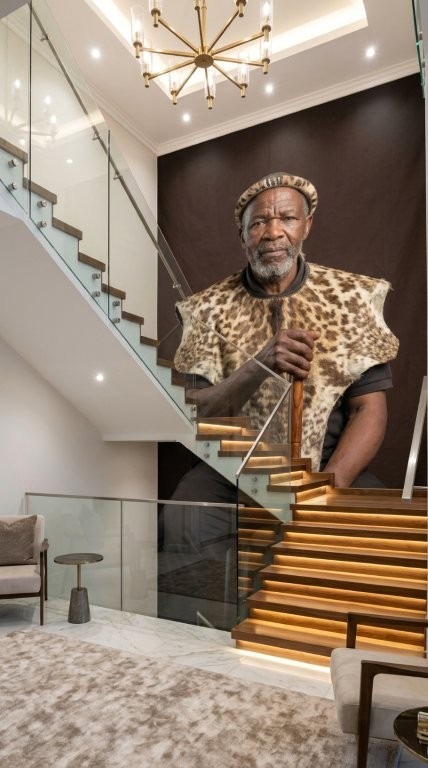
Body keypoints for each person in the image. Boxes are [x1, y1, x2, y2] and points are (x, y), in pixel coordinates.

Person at [160, 171, 399, 567]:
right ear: (242, 235)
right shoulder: (205, 310)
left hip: (327, 465)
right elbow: (194, 411)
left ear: (307, 225)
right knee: (183, 518)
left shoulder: (352, 297)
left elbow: (368, 409)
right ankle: (218, 604)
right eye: (258, 223)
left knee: (378, 531)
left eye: (287, 218)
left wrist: (328, 488)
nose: (273, 233)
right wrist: (259, 365)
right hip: (233, 468)